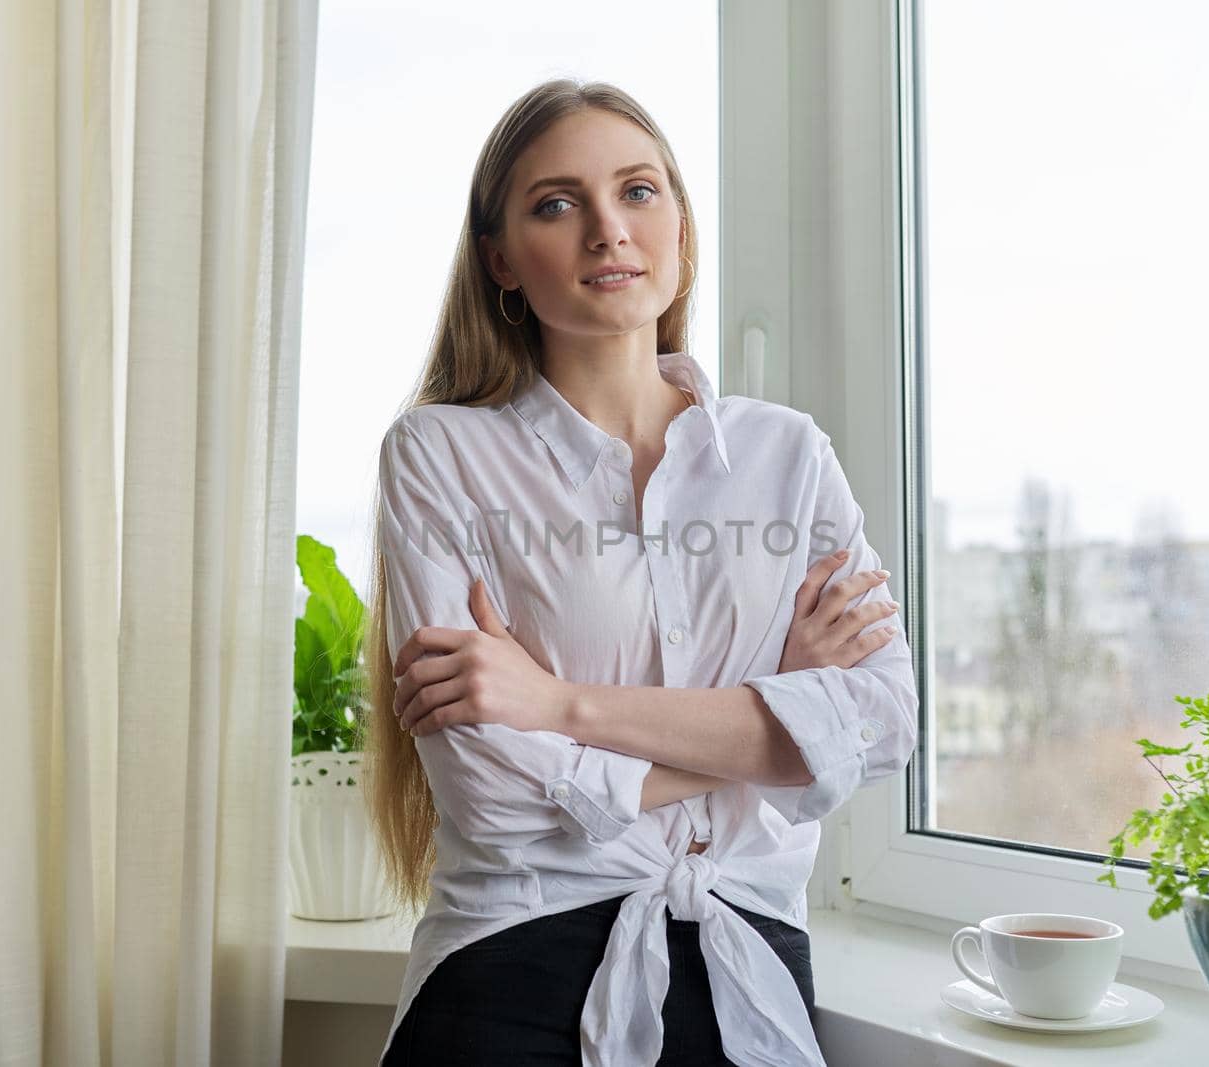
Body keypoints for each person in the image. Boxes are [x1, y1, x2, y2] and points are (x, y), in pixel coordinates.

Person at [363, 77, 919, 1066]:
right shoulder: (439, 453)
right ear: (500, 258)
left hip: (746, 957)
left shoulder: (787, 455)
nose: (608, 229)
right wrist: (779, 732)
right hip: (511, 964)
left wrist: (558, 703)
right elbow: (493, 796)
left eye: (639, 191)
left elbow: (881, 720)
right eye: (556, 203)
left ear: (681, 230)